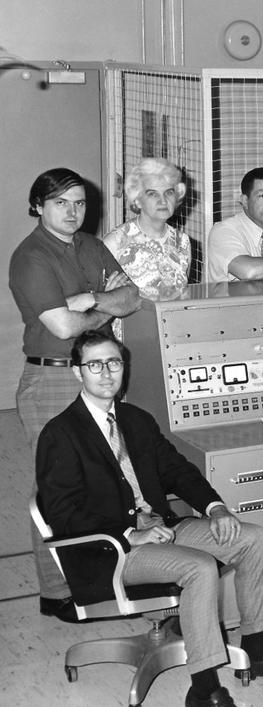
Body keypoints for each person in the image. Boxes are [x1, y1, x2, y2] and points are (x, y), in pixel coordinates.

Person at [36, 330, 263, 707]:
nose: (106, 372)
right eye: (94, 364)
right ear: (77, 373)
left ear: (124, 368)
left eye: (113, 363)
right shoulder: (61, 434)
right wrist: (129, 534)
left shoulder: (135, 420)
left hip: (163, 527)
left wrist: (215, 507)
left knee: (254, 539)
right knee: (199, 567)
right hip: (110, 549)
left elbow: (176, 470)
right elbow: (62, 514)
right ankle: (205, 694)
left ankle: (257, 652)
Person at [8, 167, 141, 622]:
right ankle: (57, 590)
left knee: (105, 473)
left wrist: (88, 299)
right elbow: (62, 327)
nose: (73, 212)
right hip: (51, 379)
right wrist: (97, 302)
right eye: (61, 203)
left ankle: (103, 578)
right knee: (55, 484)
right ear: (39, 207)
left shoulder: (90, 245)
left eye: (80, 203)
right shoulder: (31, 256)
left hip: (96, 374)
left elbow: (132, 297)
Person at [102, 157, 191, 301]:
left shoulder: (183, 241)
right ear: (137, 199)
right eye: (153, 194)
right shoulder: (115, 241)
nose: (163, 201)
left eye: (168, 192)